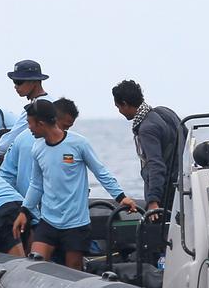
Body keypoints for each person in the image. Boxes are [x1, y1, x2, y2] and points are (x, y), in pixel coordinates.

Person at [14, 99, 136, 269]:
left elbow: (100, 172)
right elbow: (36, 184)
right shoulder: (37, 148)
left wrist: (121, 197)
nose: (29, 128)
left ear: (40, 124)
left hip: (75, 224)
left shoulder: (79, 144)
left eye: (30, 123)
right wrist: (24, 211)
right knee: (35, 266)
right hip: (48, 221)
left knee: (74, 271)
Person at [112, 80, 185, 221]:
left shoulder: (146, 128)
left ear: (125, 104)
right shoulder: (165, 112)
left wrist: (153, 200)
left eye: (118, 107)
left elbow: (155, 165)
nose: (120, 112)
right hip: (180, 186)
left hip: (165, 193)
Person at [0, 59, 50, 158]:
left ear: (34, 81)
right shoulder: (50, 102)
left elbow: (6, 144)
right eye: (14, 81)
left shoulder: (35, 109)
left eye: (19, 82)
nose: (15, 86)